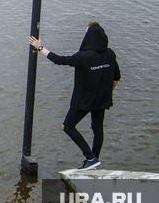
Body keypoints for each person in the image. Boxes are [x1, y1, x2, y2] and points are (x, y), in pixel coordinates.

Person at [29, 23, 121, 170]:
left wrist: (39, 47)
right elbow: (117, 76)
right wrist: (111, 91)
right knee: (97, 129)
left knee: (68, 126)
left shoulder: (83, 56)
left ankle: (90, 158)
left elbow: (60, 60)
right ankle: (94, 160)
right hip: (102, 98)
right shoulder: (110, 54)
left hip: (84, 100)